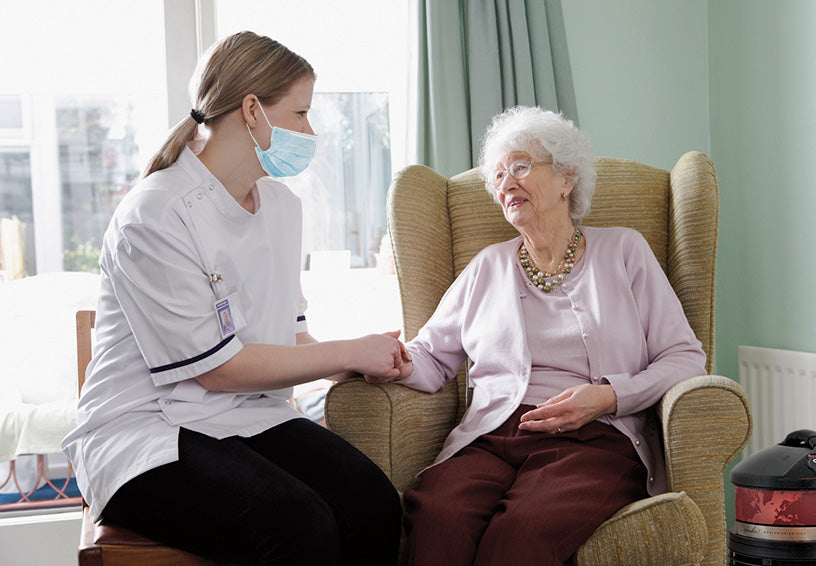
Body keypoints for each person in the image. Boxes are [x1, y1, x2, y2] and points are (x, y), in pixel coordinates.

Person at [62, 31, 403, 566]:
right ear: (251, 110)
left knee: (374, 505)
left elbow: (287, 335)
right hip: (145, 433)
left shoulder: (280, 207)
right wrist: (347, 351)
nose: (310, 131)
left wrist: (355, 364)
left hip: (242, 415)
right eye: (301, 113)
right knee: (298, 526)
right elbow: (216, 370)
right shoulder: (156, 213)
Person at [365, 106, 707, 565]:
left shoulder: (624, 251)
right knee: (437, 516)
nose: (506, 183)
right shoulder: (487, 266)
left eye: (520, 167)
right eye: (498, 175)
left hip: (593, 437)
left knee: (521, 535)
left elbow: (685, 357)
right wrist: (396, 360)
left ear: (566, 179)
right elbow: (431, 357)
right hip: (493, 434)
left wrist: (607, 398)